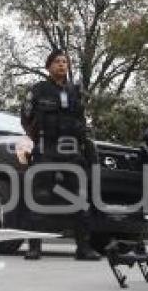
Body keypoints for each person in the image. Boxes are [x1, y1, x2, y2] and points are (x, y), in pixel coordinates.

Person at [21, 49, 100, 261]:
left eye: (65, 62)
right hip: (46, 149)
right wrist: (38, 140)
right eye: (57, 62)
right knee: (39, 197)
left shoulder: (75, 91)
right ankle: (34, 247)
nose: (62, 65)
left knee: (80, 197)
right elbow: (26, 119)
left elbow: (82, 120)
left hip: (72, 151)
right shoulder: (38, 90)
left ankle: (83, 248)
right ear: (48, 66)